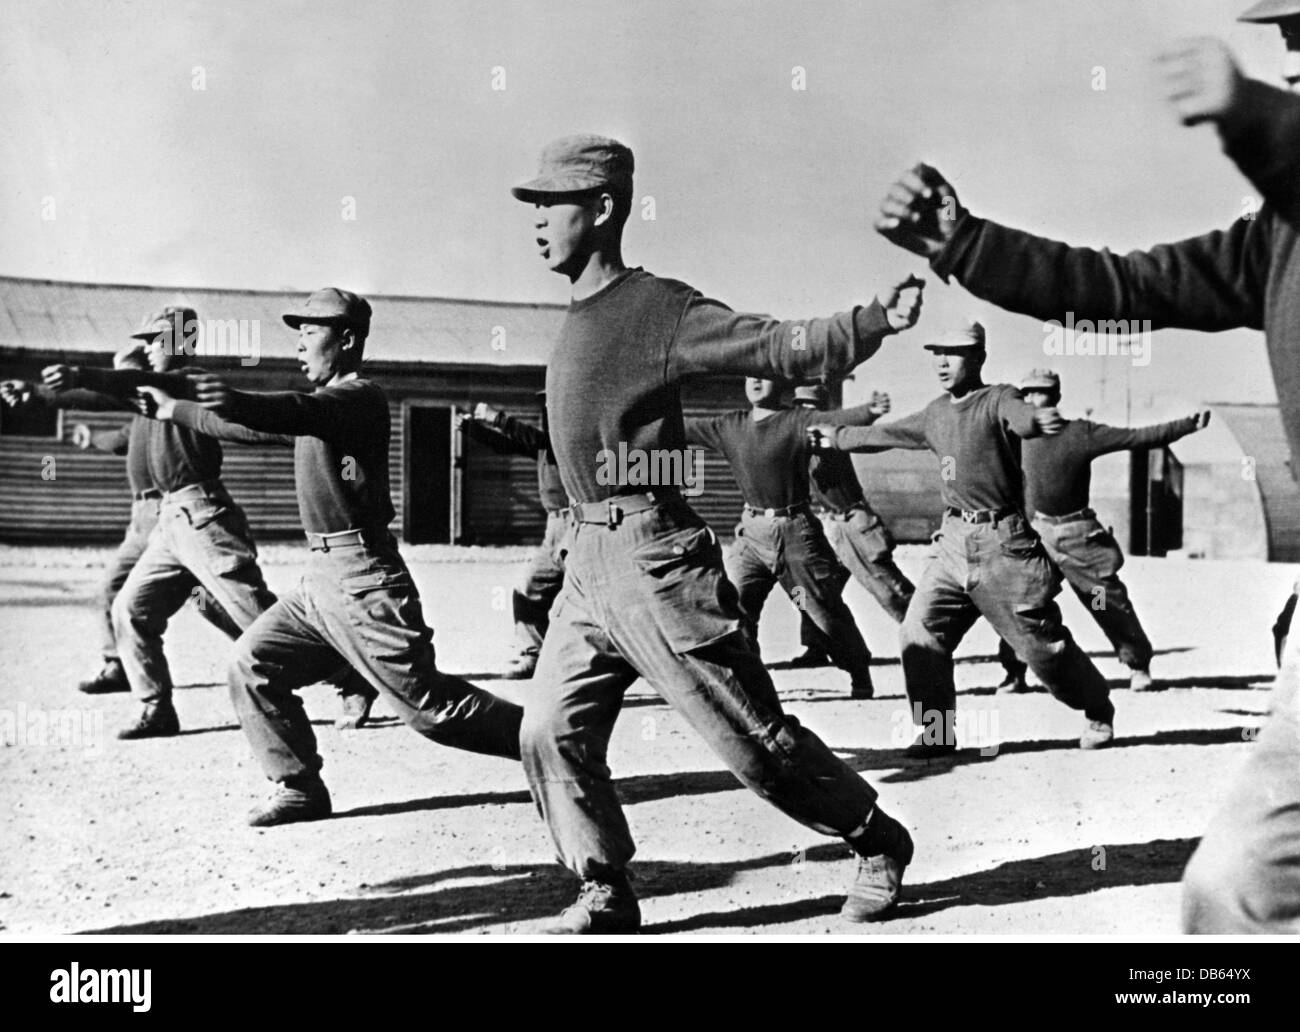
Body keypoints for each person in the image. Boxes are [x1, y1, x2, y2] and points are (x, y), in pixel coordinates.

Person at [869, 9, 1300, 931]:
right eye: (1292, 48)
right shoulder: (1277, 239)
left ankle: (1105, 682)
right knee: (1233, 892)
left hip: (1037, 549)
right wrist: (965, 241)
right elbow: (1119, 284)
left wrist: (1251, 116)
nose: (1296, 62)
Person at [512, 133, 924, 933]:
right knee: (549, 731)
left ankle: (875, 837)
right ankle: (604, 886)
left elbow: (769, 341)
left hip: (654, 561)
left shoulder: (658, 307)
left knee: (752, 745)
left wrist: (870, 321)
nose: (535, 221)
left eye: (549, 205)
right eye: (531, 206)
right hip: (586, 559)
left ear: (600, 210)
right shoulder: (572, 317)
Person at [127, 288, 523, 826]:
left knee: (432, 711)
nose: (298, 345)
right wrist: (178, 409)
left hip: (365, 579)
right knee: (252, 663)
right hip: (320, 578)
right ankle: (298, 787)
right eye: (298, 333)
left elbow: (288, 409)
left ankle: (554, 741)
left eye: (310, 333)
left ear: (348, 340)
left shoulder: (357, 399)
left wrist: (232, 396)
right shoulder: (320, 411)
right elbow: (248, 425)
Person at [41, 307, 376, 738]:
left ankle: (350, 677)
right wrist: (44, 393)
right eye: (144, 343)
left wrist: (85, 373)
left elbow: (130, 384)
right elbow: (116, 395)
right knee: (131, 608)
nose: (146, 350)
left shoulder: (188, 380)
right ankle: (155, 707)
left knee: (256, 619)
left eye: (155, 341)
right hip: (169, 520)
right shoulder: (149, 393)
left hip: (204, 519)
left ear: (181, 343)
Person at [808, 322, 1116, 757]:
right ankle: (937, 734)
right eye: (936, 352)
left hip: (1003, 544)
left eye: (953, 353)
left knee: (1040, 649)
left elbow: (1020, 416)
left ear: (978, 359)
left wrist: (1036, 420)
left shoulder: (998, 399)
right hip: (952, 542)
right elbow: (887, 434)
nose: (941, 362)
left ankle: (1097, 706)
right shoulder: (935, 413)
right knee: (920, 632)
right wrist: (838, 436)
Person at [996, 368, 1210, 693]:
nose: (1032, 400)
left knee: (1103, 601)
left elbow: (1136, 437)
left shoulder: (1081, 433)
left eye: (1040, 392)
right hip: (1034, 536)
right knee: (1023, 603)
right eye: (1026, 394)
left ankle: (1137, 664)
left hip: (1077, 537)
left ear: (1056, 396)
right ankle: (1015, 672)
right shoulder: (1014, 437)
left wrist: (1186, 425)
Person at [685, 377, 891, 698]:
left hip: (794, 534)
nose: (754, 381)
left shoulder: (795, 422)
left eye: (763, 376)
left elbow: (832, 420)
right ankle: (749, 683)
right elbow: (678, 428)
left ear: (779, 383)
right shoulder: (729, 426)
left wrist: (869, 411)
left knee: (817, 608)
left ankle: (857, 670)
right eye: (749, 376)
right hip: (750, 534)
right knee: (736, 605)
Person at [1, 344, 156, 695]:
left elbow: (100, 396)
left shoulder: (167, 399)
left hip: (175, 517)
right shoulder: (142, 417)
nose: (117, 388)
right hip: (142, 520)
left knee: (213, 601)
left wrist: (40, 393)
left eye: (123, 379)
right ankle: (116, 664)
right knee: (110, 590)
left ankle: (276, 650)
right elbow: (119, 439)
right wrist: (89, 439)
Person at [789, 381, 915, 669]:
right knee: (816, 589)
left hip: (853, 521)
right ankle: (817, 647)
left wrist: (870, 414)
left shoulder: (833, 438)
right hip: (828, 523)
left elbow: (862, 436)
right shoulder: (799, 442)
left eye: (812, 407)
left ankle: (929, 632)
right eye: (801, 406)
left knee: (886, 586)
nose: (807, 413)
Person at [458, 396, 566, 679]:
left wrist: (498, 418)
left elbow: (534, 439)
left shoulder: (570, 440)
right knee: (530, 590)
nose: (549, 411)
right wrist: (474, 430)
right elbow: (511, 444)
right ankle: (533, 656)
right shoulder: (546, 441)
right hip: (555, 528)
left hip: (578, 524)